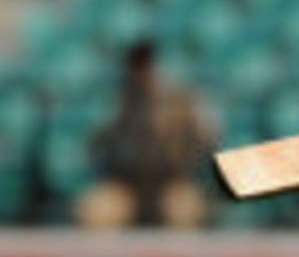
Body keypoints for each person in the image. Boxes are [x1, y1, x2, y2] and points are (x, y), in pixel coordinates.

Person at [76, 39, 218, 229]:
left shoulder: (188, 103)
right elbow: (95, 143)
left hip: (173, 184)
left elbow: (207, 143)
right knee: (100, 208)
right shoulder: (118, 100)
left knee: (183, 207)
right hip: (125, 185)